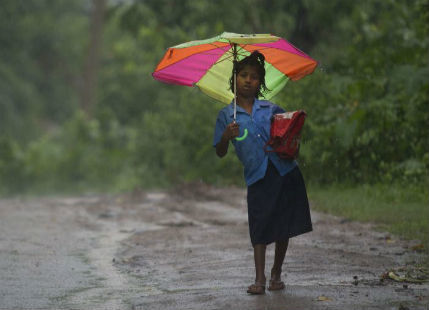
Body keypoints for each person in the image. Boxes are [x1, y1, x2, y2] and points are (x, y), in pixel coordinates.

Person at [213, 51, 313, 295]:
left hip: (284, 171)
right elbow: (220, 151)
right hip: (258, 176)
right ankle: (259, 278)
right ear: (234, 79)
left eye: (254, 77)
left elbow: (290, 133)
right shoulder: (227, 116)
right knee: (259, 225)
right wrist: (226, 136)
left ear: (261, 82)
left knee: (283, 224)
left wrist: (292, 142)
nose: (248, 80)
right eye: (243, 75)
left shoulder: (271, 108)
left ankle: (276, 273)